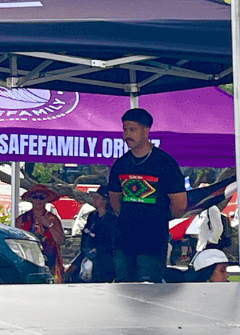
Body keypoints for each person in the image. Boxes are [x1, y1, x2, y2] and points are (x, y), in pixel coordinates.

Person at [108, 108, 187, 283]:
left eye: (132, 129)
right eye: (125, 129)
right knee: (123, 291)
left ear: (146, 130)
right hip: (124, 241)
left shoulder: (165, 164)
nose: (127, 134)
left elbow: (179, 204)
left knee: (149, 292)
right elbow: (114, 199)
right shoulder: (121, 165)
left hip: (152, 241)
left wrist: (157, 217)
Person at [16, 184, 65, 283]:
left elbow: (61, 241)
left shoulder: (53, 219)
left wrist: (49, 225)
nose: (38, 200)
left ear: (46, 200)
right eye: (35, 197)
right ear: (31, 199)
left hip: (51, 263)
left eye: (41, 197)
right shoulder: (21, 219)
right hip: (28, 261)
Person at [76, 186, 117, 283]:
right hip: (87, 256)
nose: (94, 200)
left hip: (103, 261)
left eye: (97, 198)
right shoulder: (92, 216)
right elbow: (86, 233)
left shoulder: (111, 219)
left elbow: (111, 240)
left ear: (104, 200)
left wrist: (97, 250)